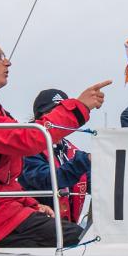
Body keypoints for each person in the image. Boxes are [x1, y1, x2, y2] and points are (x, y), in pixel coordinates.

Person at [0, 29, 110, 249]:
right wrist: (78, 107)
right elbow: (26, 140)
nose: (7, 62)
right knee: (81, 239)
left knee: (76, 234)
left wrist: (29, 204)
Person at [19, 89, 92, 223]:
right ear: (41, 118)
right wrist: (83, 161)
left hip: (67, 225)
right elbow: (47, 181)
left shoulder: (70, 150)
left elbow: (94, 183)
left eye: (63, 112)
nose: (61, 118)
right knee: (77, 235)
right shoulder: (28, 150)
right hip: (37, 222)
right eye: (56, 113)